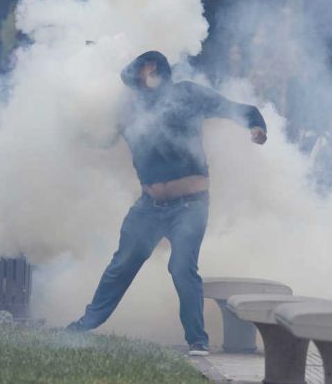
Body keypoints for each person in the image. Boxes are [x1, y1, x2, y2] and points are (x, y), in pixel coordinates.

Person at [66, 51, 267, 356]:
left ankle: (197, 340)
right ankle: (86, 323)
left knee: (182, 265)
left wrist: (255, 126)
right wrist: (76, 131)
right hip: (149, 207)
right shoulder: (131, 110)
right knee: (122, 264)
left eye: (144, 70)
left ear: (156, 69)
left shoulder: (187, 94)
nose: (139, 78)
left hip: (190, 205)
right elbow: (102, 138)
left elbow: (236, 109)